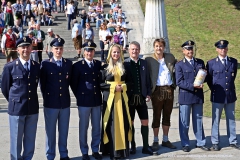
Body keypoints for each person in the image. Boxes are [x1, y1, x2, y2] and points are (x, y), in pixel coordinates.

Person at [1, 36, 40, 160]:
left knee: (30, 139)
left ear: (31, 48)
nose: (26, 49)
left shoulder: (36, 66)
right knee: (16, 140)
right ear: (17, 50)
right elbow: (5, 88)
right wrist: (14, 100)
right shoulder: (10, 67)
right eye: (23, 47)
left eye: (28, 47)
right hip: (17, 108)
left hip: (32, 108)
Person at [175, 40, 210, 152]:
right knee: (184, 122)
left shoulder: (200, 62)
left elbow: (203, 77)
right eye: (188, 49)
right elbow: (179, 82)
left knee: (198, 120)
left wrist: (204, 77)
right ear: (183, 51)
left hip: (198, 96)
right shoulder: (179, 64)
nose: (190, 51)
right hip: (185, 97)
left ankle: (201, 142)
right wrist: (193, 86)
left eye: (191, 48)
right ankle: (185, 143)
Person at [40, 37, 72, 160]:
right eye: (56, 48)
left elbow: (70, 82)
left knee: (64, 131)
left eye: (60, 48)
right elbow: (42, 84)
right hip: (51, 103)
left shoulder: (68, 63)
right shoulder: (46, 64)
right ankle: (50, 155)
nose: (58, 51)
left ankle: (63, 154)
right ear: (52, 49)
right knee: (50, 132)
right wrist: (47, 97)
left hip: (64, 102)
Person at [71, 41, 102, 160]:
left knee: (96, 127)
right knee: (83, 127)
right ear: (84, 52)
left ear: (94, 52)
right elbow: (74, 84)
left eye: (91, 50)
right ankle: (84, 151)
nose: (89, 52)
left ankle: (95, 149)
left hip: (96, 100)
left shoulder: (98, 64)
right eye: (87, 50)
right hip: (84, 100)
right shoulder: (78, 66)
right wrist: (79, 96)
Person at [206, 40, 240, 151]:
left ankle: (233, 141)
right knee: (216, 120)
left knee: (231, 119)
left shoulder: (233, 62)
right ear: (217, 49)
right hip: (217, 95)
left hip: (230, 95)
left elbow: (232, 77)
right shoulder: (211, 63)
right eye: (220, 48)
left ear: (227, 49)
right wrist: (214, 89)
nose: (223, 50)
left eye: (224, 48)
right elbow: (209, 80)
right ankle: (215, 142)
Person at [100, 44, 132, 160]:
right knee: (111, 124)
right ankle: (111, 151)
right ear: (110, 53)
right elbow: (100, 84)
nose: (116, 54)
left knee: (122, 124)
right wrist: (113, 88)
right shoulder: (104, 68)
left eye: (118, 52)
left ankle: (122, 152)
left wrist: (123, 86)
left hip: (122, 100)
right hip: (109, 101)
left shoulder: (124, 67)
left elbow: (130, 82)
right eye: (114, 52)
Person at [144, 38, 177, 151]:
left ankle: (166, 139)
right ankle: (155, 140)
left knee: (167, 115)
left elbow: (176, 69)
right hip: (157, 90)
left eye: (161, 46)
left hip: (169, 90)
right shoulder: (149, 59)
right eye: (157, 46)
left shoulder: (170, 57)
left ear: (164, 47)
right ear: (154, 47)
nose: (159, 48)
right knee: (156, 115)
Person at [123, 41, 154, 155]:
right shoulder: (125, 64)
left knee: (145, 122)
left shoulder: (144, 63)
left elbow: (148, 80)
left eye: (136, 49)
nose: (134, 51)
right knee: (130, 123)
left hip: (142, 98)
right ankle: (133, 146)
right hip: (130, 98)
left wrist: (149, 93)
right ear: (129, 50)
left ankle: (146, 146)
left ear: (139, 50)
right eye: (132, 49)